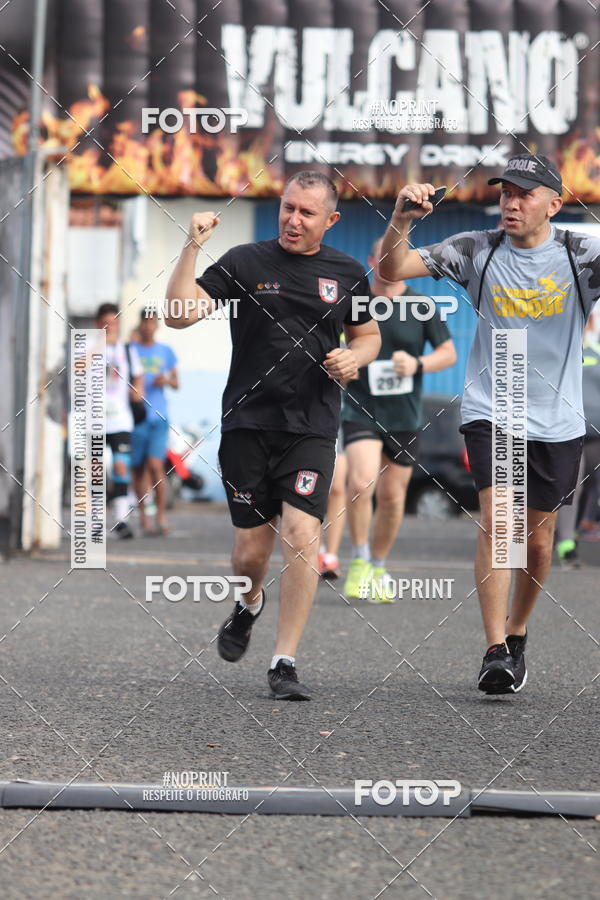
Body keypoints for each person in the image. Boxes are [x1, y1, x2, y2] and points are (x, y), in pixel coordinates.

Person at [379, 153, 600, 694]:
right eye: (505, 192)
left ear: (555, 201)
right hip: (493, 407)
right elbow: (391, 270)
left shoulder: (583, 252)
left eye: (524, 193)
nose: (511, 201)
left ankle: (517, 632)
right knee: (499, 526)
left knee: (539, 542)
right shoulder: (477, 249)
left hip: (556, 419)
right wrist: (402, 220)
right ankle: (494, 651)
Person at [165, 170, 381, 700]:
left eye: (307, 213)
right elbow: (178, 315)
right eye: (288, 208)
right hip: (247, 423)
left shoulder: (348, 272)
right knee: (249, 555)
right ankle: (248, 603)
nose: (293, 219)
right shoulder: (245, 261)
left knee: (303, 537)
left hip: (311, 425)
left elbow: (370, 334)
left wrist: (355, 357)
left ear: (330, 221)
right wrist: (191, 246)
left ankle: (284, 662)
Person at [342, 236, 456, 601]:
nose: (390, 264)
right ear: (371, 260)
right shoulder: (357, 302)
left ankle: (377, 564)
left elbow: (448, 352)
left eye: (398, 258)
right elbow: (331, 343)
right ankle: (358, 559)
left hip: (405, 415)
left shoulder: (422, 306)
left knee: (393, 497)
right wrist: (345, 362)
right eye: (383, 257)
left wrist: (418, 363)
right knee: (361, 482)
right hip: (360, 407)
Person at [95, 302, 144, 539]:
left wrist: (138, 391)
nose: (111, 328)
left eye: (114, 323)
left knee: (121, 466)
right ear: (98, 325)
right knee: (94, 470)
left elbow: (139, 376)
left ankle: (121, 521)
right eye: (106, 323)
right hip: (93, 418)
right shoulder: (89, 346)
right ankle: (93, 523)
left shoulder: (127, 349)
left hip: (121, 419)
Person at [131, 310, 179, 535]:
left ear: (157, 325)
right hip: (135, 417)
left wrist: (166, 380)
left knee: (155, 466)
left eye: (152, 321)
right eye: (145, 321)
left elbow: (177, 383)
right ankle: (143, 517)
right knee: (138, 469)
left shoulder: (166, 352)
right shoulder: (131, 350)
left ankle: (161, 515)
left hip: (159, 416)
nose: (149, 326)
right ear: (140, 324)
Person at [317, 434, 347, 580]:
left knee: (337, 487)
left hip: (341, 418)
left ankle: (331, 556)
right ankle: (318, 550)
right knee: (316, 486)